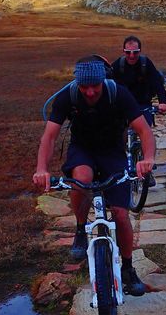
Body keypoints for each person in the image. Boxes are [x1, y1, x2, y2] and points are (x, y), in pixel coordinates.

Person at [33, 56, 155, 296]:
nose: (89, 92)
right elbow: (49, 137)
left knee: (121, 214)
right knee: (81, 178)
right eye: (84, 87)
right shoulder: (68, 96)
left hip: (112, 151)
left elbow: (143, 130)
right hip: (83, 149)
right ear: (77, 84)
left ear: (103, 81)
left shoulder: (118, 93)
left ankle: (128, 268)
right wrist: (41, 169)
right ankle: (81, 229)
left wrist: (147, 158)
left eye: (94, 87)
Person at [110, 35, 166, 127]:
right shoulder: (118, 65)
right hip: (123, 104)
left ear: (140, 51)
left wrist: (163, 102)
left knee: (145, 130)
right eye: (128, 52)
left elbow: (157, 83)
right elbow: (107, 83)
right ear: (124, 51)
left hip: (143, 104)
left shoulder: (146, 63)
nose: (132, 56)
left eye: (135, 52)